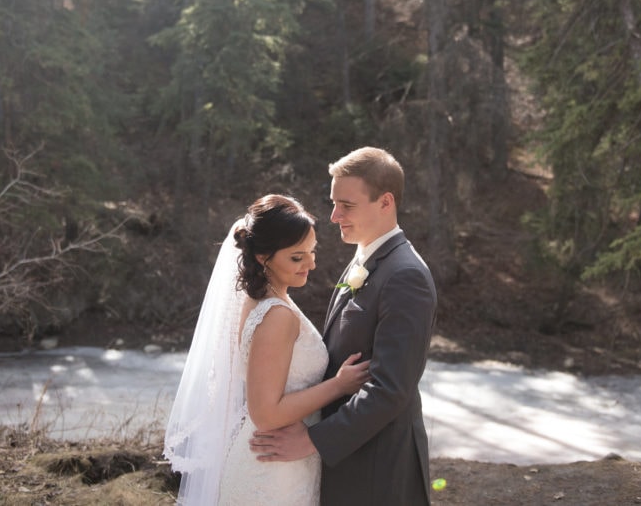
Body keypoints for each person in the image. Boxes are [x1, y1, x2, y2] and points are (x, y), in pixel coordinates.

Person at [249, 147, 438, 506]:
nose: (334, 215)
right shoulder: (366, 258)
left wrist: (313, 440)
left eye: (346, 205)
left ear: (385, 203)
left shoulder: (406, 275)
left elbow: (390, 389)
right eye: (333, 202)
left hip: (377, 469)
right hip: (348, 461)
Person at [164, 194, 371, 506]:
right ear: (263, 257)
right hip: (272, 473)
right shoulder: (277, 316)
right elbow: (266, 413)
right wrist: (339, 385)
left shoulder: (262, 300)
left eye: (312, 252)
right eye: (297, 257)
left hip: (279, 460)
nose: (311, 264)